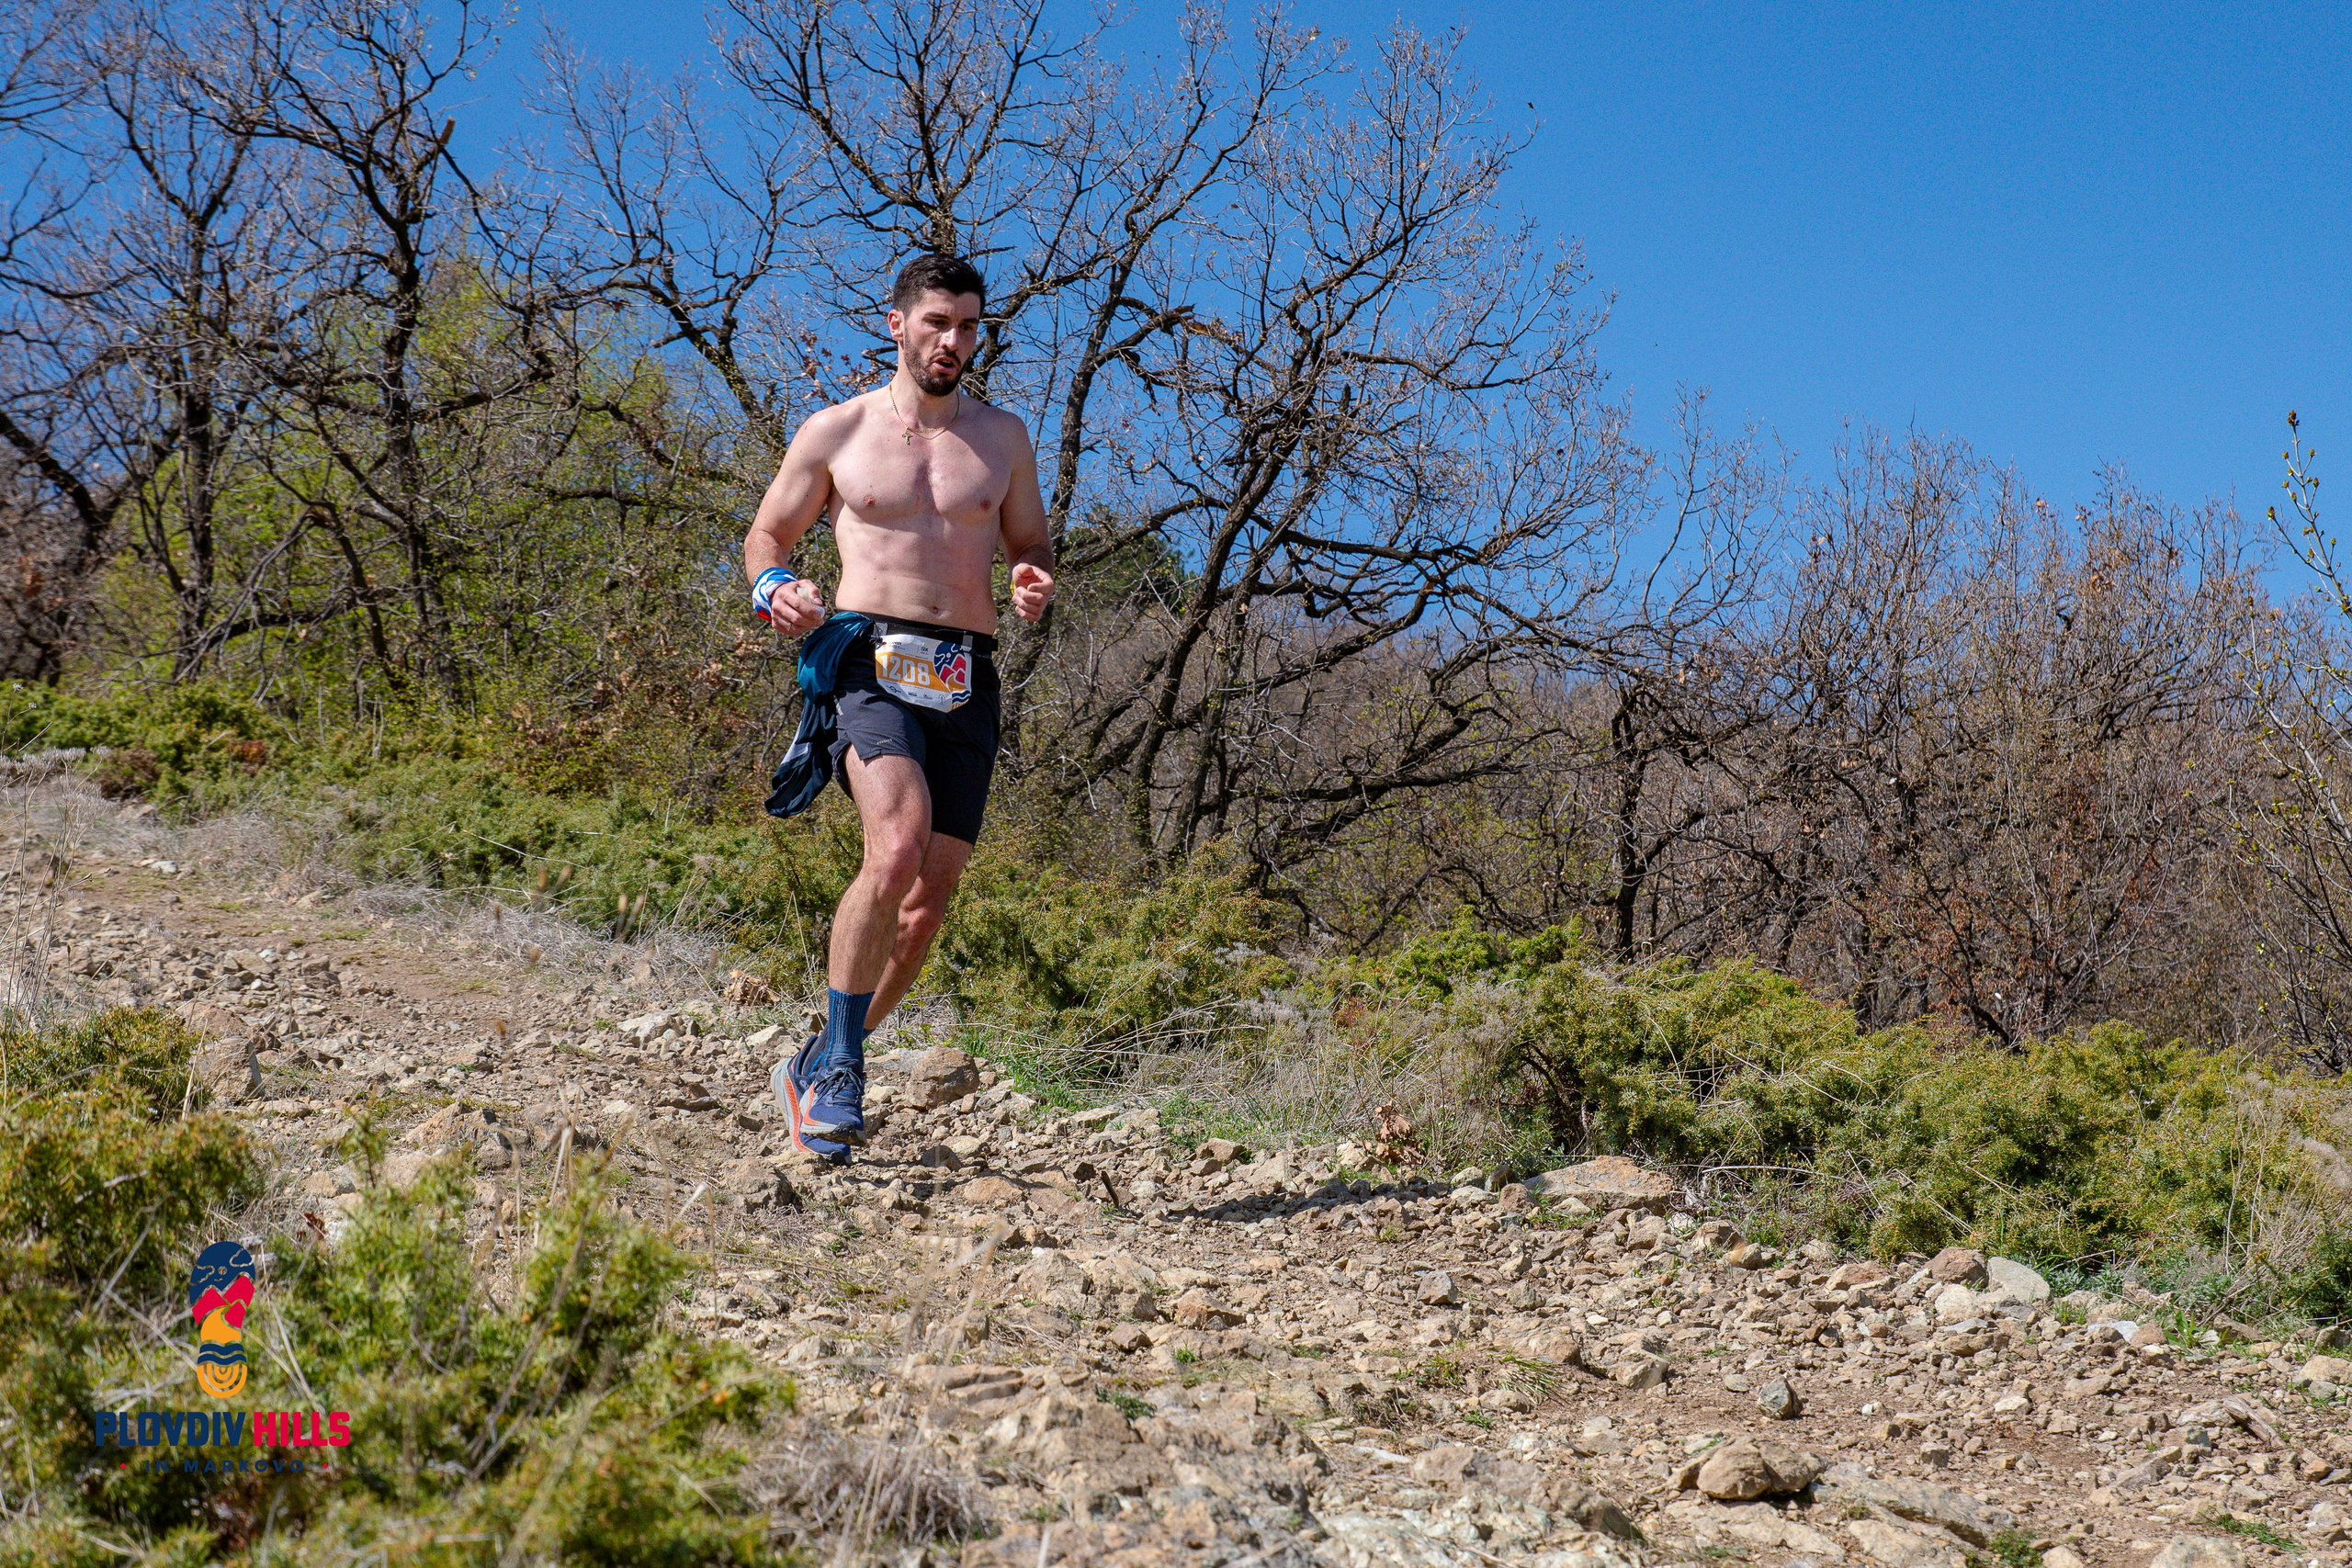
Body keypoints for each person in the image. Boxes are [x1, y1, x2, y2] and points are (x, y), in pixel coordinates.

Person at [743, 254, 1055, 1163]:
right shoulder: (838, 432)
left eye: (969, 327)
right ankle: (842, 1072)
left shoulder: (1001, 439)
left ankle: (822, 1057)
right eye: (937, 324)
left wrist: (1032, 578)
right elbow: (768, 531)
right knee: (898, 842)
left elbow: (1028, 542)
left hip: (966, 671)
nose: (954, 342)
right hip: (865, 661)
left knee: (925, 906)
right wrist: (775, 586)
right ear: (896, 324)